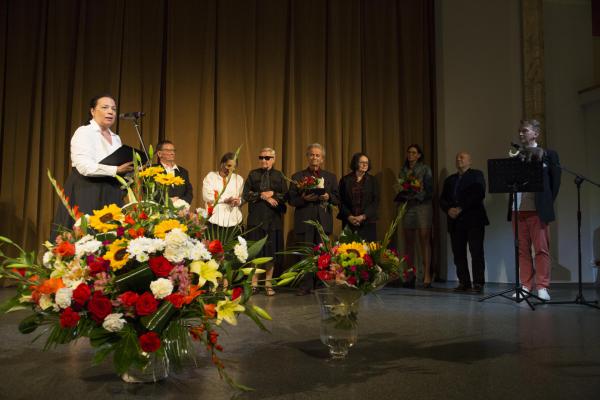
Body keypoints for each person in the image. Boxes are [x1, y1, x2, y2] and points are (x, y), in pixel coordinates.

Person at [51, 94, 133, 238]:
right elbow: (84, 166)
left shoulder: (116, 138)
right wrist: (115, 169)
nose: (111, 112)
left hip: (110, 190)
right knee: (86, 235)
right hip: (87, 188)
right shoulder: (84, 132)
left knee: (110, 237)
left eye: (113, 109)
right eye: (105, 107)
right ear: (92, 111)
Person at [509, 119, 561, 301]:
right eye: (519, 131)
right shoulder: (516, 156)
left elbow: (555, 183)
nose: (521, 134)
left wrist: (545, 203)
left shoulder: (549, 155)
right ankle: (525, 285)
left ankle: (542, 287)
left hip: (537, 210)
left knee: (541, 250)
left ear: (536, 133)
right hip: (518, 210)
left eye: (525, 131)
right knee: (522, 250)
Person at [289, 143, 340, 295]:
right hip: (304, 220)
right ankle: (305, 285)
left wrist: (328, 196)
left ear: (322, 159)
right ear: (307, 157)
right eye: (312, 154)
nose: (314, 158)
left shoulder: (330, 177)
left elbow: (337, 199)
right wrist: (304, 198)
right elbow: (291, 200)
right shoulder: (297, 177)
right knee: (306, 253)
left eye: (318, 155)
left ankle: (321, 284)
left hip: (323, 221)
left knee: (323, 254)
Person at [440, 152, 489, 293]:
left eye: (462, 157)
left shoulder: (476, 175)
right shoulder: (450, 180)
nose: (458, 159)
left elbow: (479, 193)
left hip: (473, 220)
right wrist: (448, 209)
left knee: (476, 252)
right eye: (457, 157)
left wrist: (461, 208)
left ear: (470, 161)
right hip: (455, 221)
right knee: (458, 254)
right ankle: (464, 282)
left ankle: (478, 283)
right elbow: (442, 199)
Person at [242, 148, 289, 296]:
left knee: (271, 253)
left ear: (273, 159)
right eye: (261, 157)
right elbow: (246, 195)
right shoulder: (253, 174)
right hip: (256, 218)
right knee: (256, 252)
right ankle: (254, 283)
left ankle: (268, 283)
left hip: (273, 219)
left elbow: (286, 196)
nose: (264, 160)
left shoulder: (279, 175)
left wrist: (273, 193)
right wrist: (262, 195)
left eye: (267, 158)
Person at [395, 144, 433, 288]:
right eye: (409, 152)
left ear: (419, 155)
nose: (410, 154)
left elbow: (429, 190)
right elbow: (400, 187)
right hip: (408, 206)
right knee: (409, 242)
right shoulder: (403, 170)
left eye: (414, 152)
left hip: (423, 206)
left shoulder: (425, 168)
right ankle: (410, 274)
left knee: (424, 240)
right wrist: (402, 192)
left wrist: (416, 193)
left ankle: (427, 275)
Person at [337, 152, 379, 242]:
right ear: (355, 163)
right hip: (349, 222)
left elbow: (375, 202)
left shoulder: (372, 180)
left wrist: (363, 216)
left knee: (368, 253)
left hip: (367, 222)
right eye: (362, 162)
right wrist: (349, 216)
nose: (365, 165)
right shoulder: (345, 180)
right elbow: (340, 201)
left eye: (367, 163)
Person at [202, 152, 244, 237]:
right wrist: (225, 200)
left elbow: (241, 197)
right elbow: (207, 196)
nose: (231, 169)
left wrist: (237, 201)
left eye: (234, 167)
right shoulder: (211, 177)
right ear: (222, 164)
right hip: (214, 221)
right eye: (228, 166)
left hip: (233, 222)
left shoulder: (239, 179)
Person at [155, 140, 193, 204]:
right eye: (168, 150)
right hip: (160, 211)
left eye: (173, 150)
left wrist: (180, 203)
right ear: (159, 154)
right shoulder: (153, 170)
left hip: (180, 211)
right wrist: (168, 201)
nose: (172, 153)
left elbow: (189, 192)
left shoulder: (183, 172)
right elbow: (151, 193)